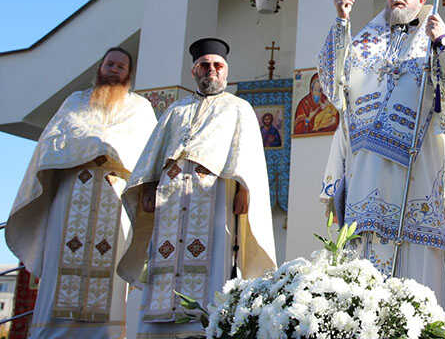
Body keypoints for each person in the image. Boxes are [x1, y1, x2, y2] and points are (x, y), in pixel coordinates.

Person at [318, 0, 445, 307]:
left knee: (414, 248)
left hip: (415, 165)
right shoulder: (363, 42)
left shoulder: (435, 40)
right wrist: (341, 22)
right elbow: (335, 85)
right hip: (365, 169)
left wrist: (442, 44)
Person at [117, 38, 276, 338]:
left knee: (214, 255)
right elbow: (153, 154)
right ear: (194, 71)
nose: (211, 71)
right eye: (205, 65)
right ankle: (158, 328)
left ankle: (207, 327)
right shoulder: (175, 111)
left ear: (226, 71)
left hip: (214, 196)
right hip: (171, 200)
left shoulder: (239, 108)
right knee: (164, 255)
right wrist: (149, 187)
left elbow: (249, 158)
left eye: (218, 66)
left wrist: (245, 191)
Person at [6, 47, 156, 339]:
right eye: (110, 63)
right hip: (72, 193)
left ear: (129, 74)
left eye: (121, 66)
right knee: (62, 258)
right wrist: (95, 146)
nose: (114, 69)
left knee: (111, 266)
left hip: (115, 196)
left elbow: (147, 154)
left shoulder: (140, 108)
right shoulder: (74, 102)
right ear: (100, 67)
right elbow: (53, 145)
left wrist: (103, 147)